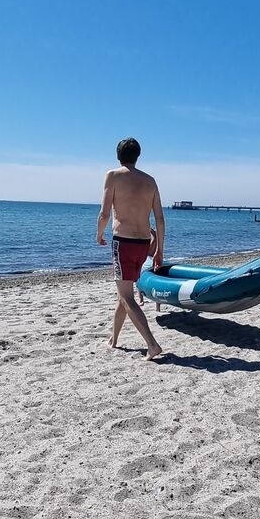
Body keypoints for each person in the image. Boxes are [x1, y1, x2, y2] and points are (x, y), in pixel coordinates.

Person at [97, 138, 166, 360]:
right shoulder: (150, 181)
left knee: (127, 297)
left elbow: (105, 213)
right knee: (123, 294)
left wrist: (99, 234)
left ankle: (152, 344)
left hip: (124, 242)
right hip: (143, 243)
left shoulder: (113, 176)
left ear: (118, 155)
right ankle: (114, 339)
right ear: (138, 155)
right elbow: (160, 219)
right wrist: (159, 250)